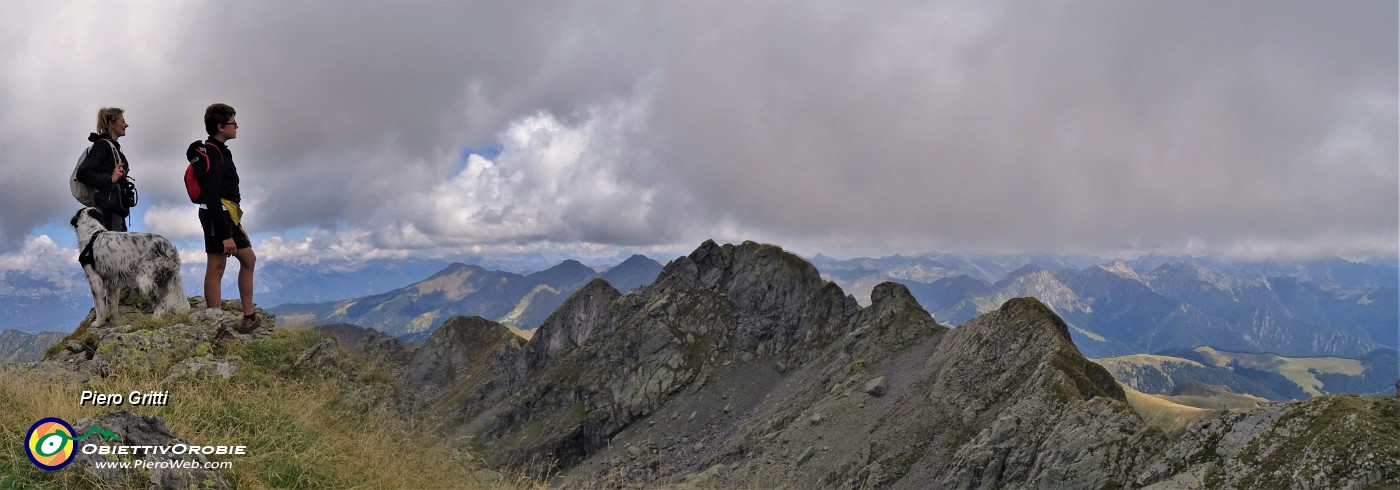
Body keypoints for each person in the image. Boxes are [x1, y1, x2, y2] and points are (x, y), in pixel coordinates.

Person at [189, 103, 259, 333]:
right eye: (233, 122)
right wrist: (225, 235)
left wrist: (236, 227)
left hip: (228, 215)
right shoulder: (212, 152)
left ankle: (249, 316)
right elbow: (211, 195)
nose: (237, 126)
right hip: (215, 216)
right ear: (220, 126)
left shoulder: (221, 151)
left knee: (248, 259)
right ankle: (215, 326)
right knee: (217, 266)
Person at [75, 107, 134, 231]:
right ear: (112, 124)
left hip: (116, 213)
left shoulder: (113, 147)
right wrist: (110, 178)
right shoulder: (102, 145)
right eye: (122, 121)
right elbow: (83, 173)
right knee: (115, 251)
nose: (126, 125)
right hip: (108, 214)